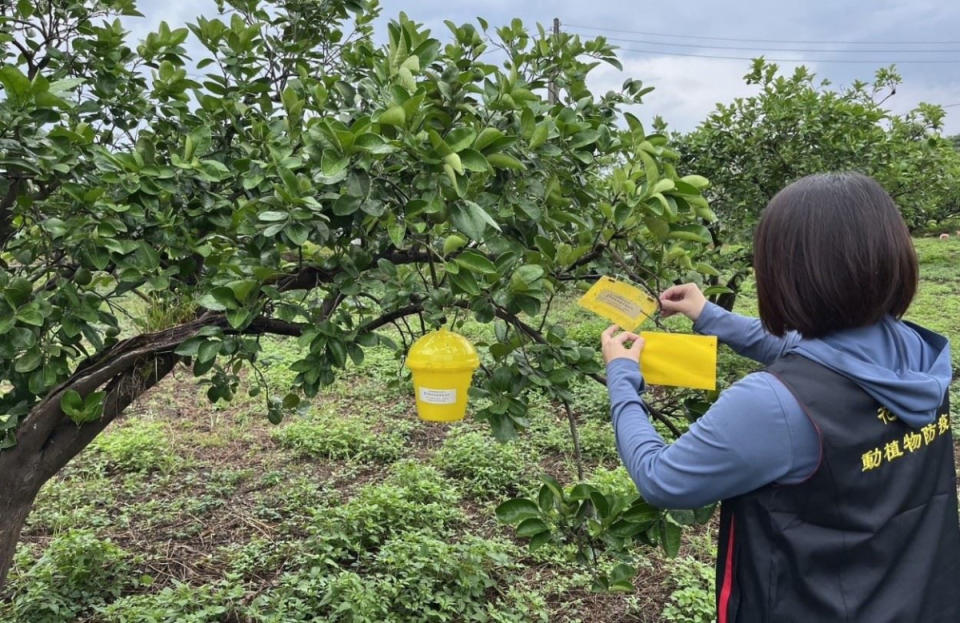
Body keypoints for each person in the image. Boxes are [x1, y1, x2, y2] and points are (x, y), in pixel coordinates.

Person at [601, 172, 960, 622]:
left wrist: (622, 378)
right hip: (916, 597)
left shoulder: (773, 405)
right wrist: (709, 315)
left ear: (785, 275)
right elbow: (808, 351)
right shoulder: (918, 354)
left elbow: (662, 480)